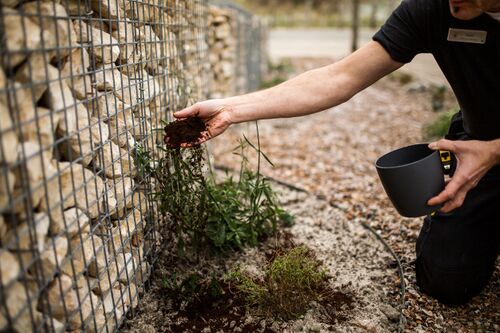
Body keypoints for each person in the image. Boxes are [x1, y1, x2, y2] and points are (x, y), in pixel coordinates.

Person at [173, 0, 500, 305]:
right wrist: (231, 109)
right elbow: (339, 77)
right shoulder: (432, 8)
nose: (453, 2)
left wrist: (493, 152)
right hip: (476, 144)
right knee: (447, 282)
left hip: (489, 150)